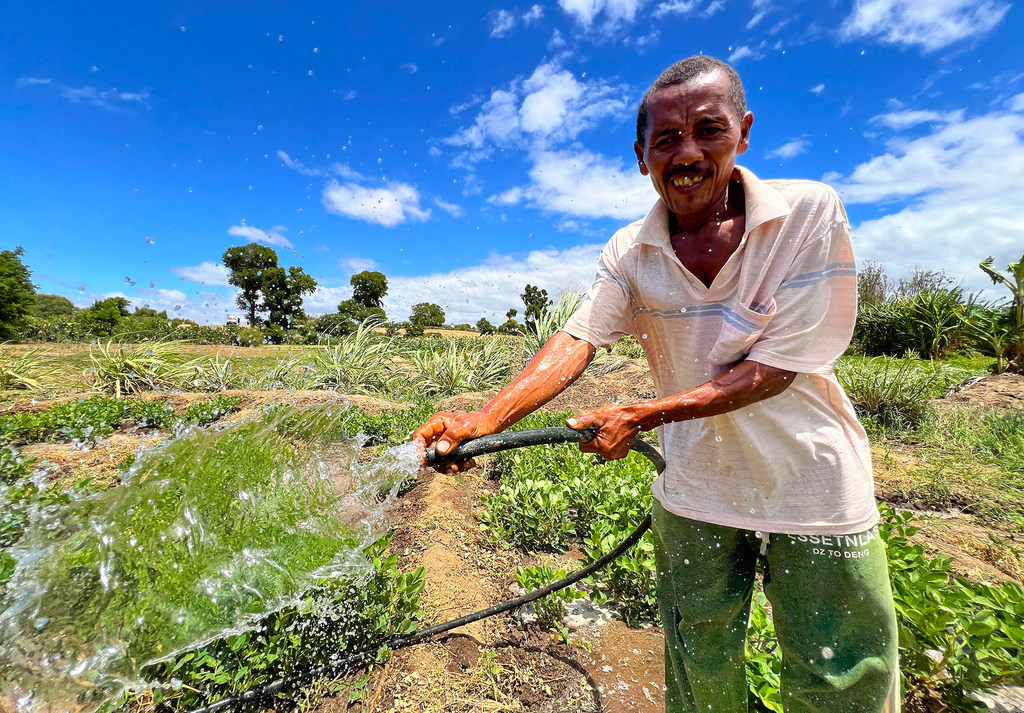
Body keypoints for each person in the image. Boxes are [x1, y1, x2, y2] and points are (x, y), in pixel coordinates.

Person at [413, 55, 899, 713]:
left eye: (708, 129)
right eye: (666, 139)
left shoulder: (807, 214)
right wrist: (485, 419)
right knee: (699, 666)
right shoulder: (629, 251)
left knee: (838, 679)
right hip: (696, 488)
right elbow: (577, 338)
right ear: (642, 156)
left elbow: (779, 368)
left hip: (813, 485)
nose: (688, 152)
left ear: (744, 131)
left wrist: (647, 413)